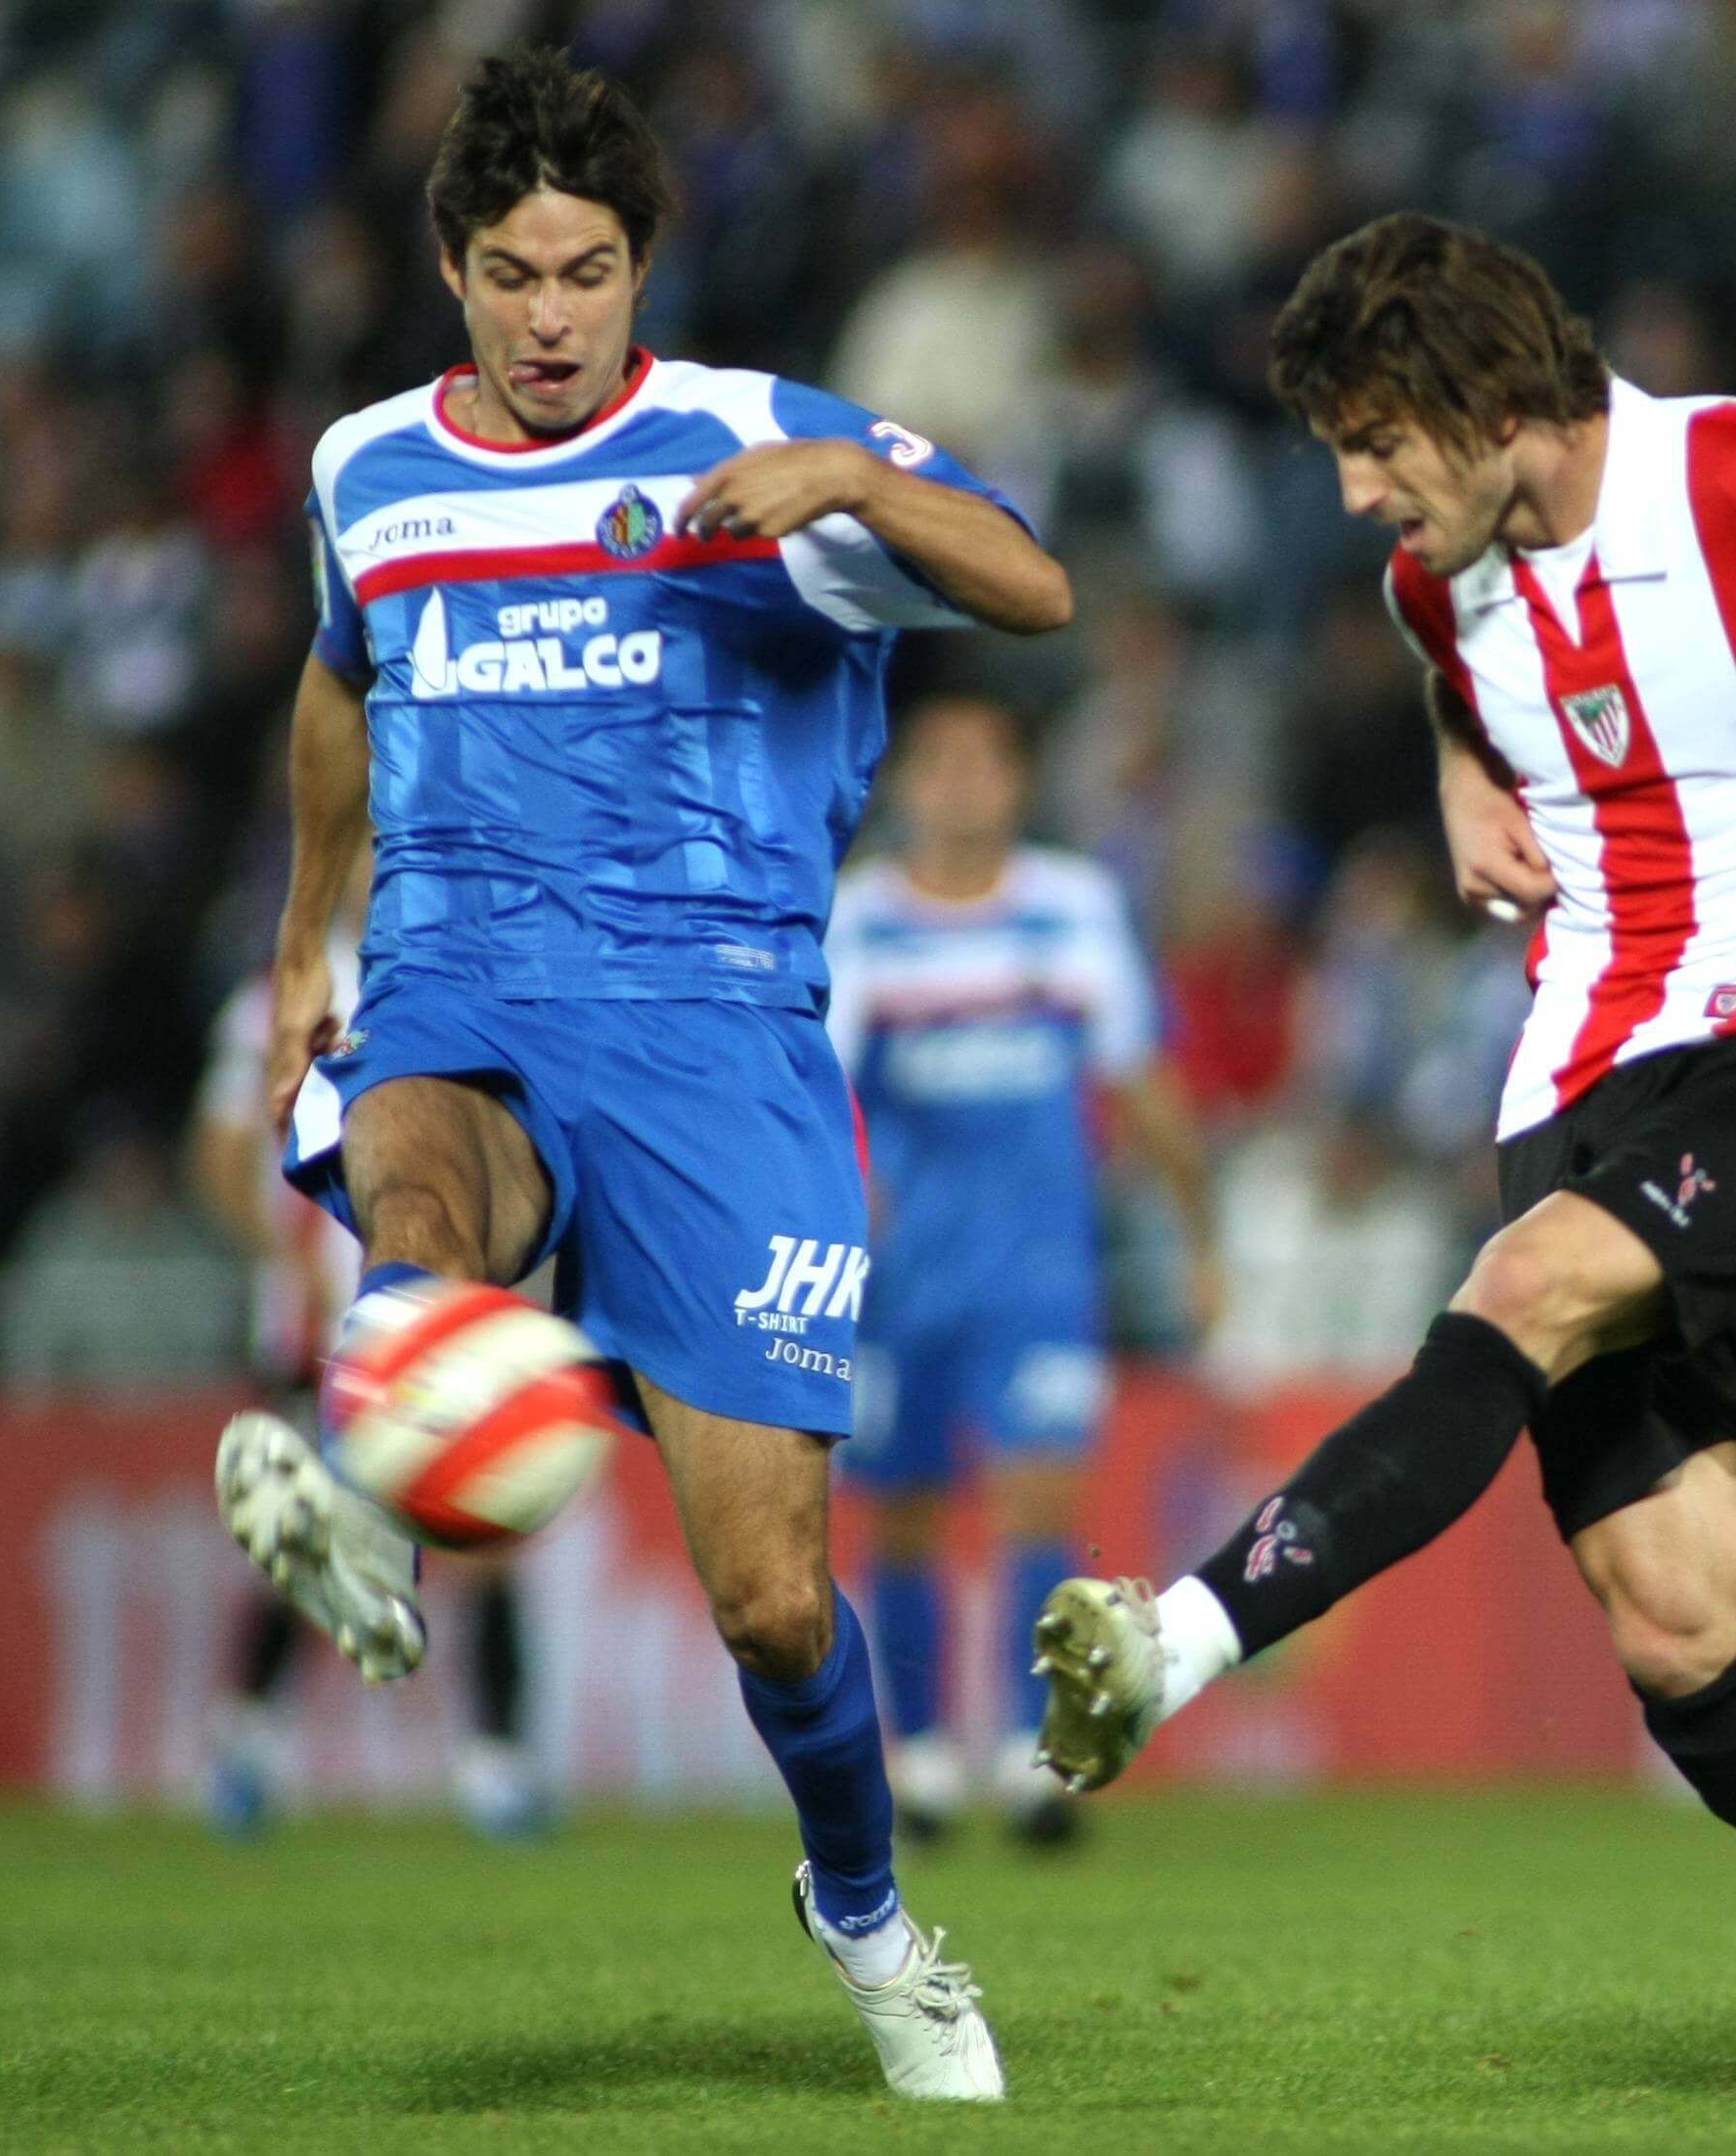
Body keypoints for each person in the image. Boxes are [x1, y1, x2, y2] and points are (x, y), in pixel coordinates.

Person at [1028, 214, 1736, 2102]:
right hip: (1577, 1084)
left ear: (1491, 409)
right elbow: (1448, 672)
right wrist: (1464, 779)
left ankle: (1174, 1637)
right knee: (1676, 1625)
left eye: (1377, 441)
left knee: (1520, 1289)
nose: (1352, 489)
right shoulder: (1441, 584)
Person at [210, 49, 1068, 2103]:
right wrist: (309, 929)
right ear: (448, 267)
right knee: (416, 1191)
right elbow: (338, 679)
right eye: (508, 273)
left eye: (585, 272)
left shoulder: (753, 435)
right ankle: (381, 1486)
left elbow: (1037, 587)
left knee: (773, 1599)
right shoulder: (366, 472)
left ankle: (860, 1909)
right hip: (460, 977)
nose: (546, 317)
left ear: (639, 268)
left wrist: (856, 485)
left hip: (716, 1035)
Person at [824, 695, 1214, 1846]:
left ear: (1016, 783)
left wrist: (1199, 1236)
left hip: (1041, 1265)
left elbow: (1140, 1076)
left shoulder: (1072, 908)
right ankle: (930, 1754)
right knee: (903, 1510)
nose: (957, 784)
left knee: (1037, 1495)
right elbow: (822, 1097)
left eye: (980, 762)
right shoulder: (862, 920)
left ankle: (1035, 1754)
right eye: (936, 763)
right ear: (906, 788)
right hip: (900, 1271)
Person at [189, 889, 547, 1841]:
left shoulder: (487, 973)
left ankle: (498, 1762)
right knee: (309, 1530)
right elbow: (221, 1150)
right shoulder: (283, 993)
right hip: (321, 1320)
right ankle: (247, 1743)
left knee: (487, 1528)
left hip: (454, 1313)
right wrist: (282, 1263)